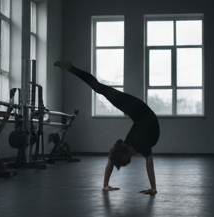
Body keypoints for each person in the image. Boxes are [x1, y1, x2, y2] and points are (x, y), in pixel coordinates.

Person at [54, 59, 159, 193]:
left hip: (138, 110)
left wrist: (153, 188)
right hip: (141, 114)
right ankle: (70, 68)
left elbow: (144, 162)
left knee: (100, 88)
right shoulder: (138, 143)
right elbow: (146, 162)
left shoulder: (131, 143)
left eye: (128, 158)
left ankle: (71, 68)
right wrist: (153, 188)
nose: (131, 158)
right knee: (100, 88)